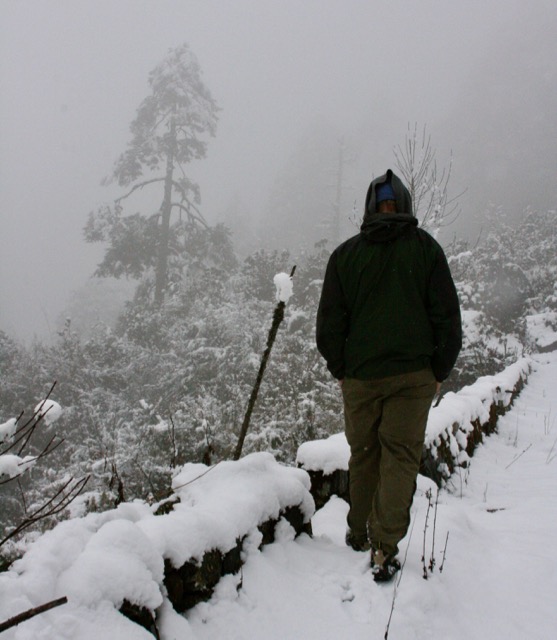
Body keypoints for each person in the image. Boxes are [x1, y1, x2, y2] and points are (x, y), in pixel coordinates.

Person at [316, 169, 462, 582]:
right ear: (405, 206)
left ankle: (359, 532)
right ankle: (383, 548)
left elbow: (328, 327)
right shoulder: (426, 251)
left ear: (369, 207)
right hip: (414, 376)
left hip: (361, 378)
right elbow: (448, 319)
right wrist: (439, 371)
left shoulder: (345, 256)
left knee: (364, 454)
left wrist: (342, 370)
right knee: (400, 456)